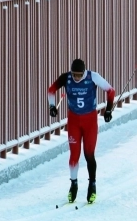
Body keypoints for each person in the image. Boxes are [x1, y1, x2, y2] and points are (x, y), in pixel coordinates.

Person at [47, 58, 115, 204]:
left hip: (90, 121)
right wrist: (52, 106)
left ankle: (92, 184)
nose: (77, 78)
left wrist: (108, 110)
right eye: (74, 74)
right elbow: (51, 90)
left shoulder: (93, 76)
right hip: (74, 121)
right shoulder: (66, 78)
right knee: (74, 155)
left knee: (89, 154)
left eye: (79, 75)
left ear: (84, 72)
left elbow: (110, 91)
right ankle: (74, 184)